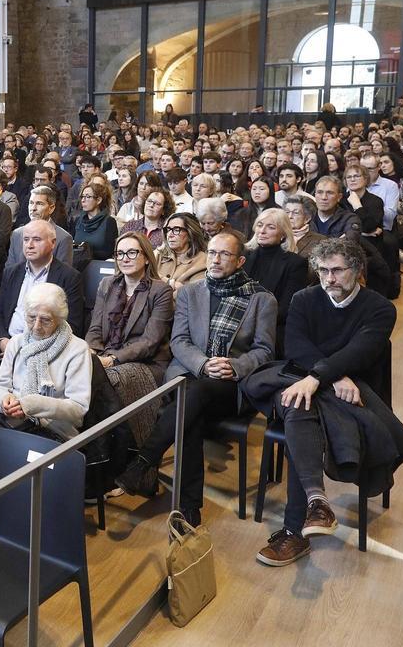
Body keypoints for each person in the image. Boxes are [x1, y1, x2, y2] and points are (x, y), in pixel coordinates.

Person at [240, 238, 403, 567]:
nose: (329, 278)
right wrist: (331, 377)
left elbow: (361, 351)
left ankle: (301, 521)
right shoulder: (305, 299)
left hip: (348, 389)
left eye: (337, 270)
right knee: (297, 397)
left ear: (358, 271)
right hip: (308, 379)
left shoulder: (380, 308)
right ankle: (314, 507)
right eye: (323, 270)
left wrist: (318, 378)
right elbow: (295, 348)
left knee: (297, 406)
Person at [113, 230, 277, 526]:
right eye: (212, 252)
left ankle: (143, 462)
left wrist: (235, 366)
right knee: (192, 408)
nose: (215, 259)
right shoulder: (191, 292)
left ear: (240, 261)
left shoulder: (262, 299)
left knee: (193, 399)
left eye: (224, 254)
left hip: (231, 385)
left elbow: (264, 351)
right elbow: (180, 341)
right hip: (190, 375)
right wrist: (203, 364)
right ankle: (189, 507)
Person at [85, 233, 174, 446]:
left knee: (106, 380)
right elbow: (95, 328)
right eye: (120, 253)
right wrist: (92, 352)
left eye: (132, 252)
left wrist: (112, 360)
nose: (125, 258)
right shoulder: (107, 285)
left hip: (146, 363)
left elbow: (149, 342)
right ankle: (96, 446)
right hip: (106, 356)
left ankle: (113, 447)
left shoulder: (160, 290)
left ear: (145, 257)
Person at [0, 282, 92, 442]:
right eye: (31, 318)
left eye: (46, 320)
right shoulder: (17, 342)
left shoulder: (77, 349)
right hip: (10, 421)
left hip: (55, 430)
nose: (36, 327)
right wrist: (4, 401)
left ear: (59, 318)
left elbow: (78, 408)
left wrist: (34, 405)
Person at [0, 219, 85, 350]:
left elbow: (72, 324)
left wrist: (36, 349)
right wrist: (3, 341)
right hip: (8, 346)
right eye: (26, 239)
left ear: (53, 243)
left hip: (46, 349)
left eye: (36, 239)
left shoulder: (69, 277)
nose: (29, 245)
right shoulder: (11, 272)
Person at [245, 209, 309, 354]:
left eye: (271, 227)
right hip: (237, 324)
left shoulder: (295, 263)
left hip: (271, 328)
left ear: (283, 234)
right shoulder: (243, 256)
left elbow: (286, 308)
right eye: (260, 225)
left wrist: (252, 324)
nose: (262, 231)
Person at [5, 185, 77, 269]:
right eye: (31, 203)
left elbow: (63, 275)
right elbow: (10, 271)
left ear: (51, 208)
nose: (33, 208)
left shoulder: (63, 238)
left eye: (39, 204)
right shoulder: (16, 234)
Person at [155, 212, 207, 296]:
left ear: (190, 234)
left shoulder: (202, 261)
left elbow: (191, 297)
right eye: (168, 230)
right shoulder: (157, 254)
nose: (170, 235)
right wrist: (170, 283)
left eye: (176, 230)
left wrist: (158, 279)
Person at [73, 181, 119, 261]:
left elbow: (109, 251)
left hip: (99, 265)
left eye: (87, 197)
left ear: (98, 200)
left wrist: (86, 251)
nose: (83, 200)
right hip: (78, 266)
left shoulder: (109, 222)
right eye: (82, 196)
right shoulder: (78, 220)